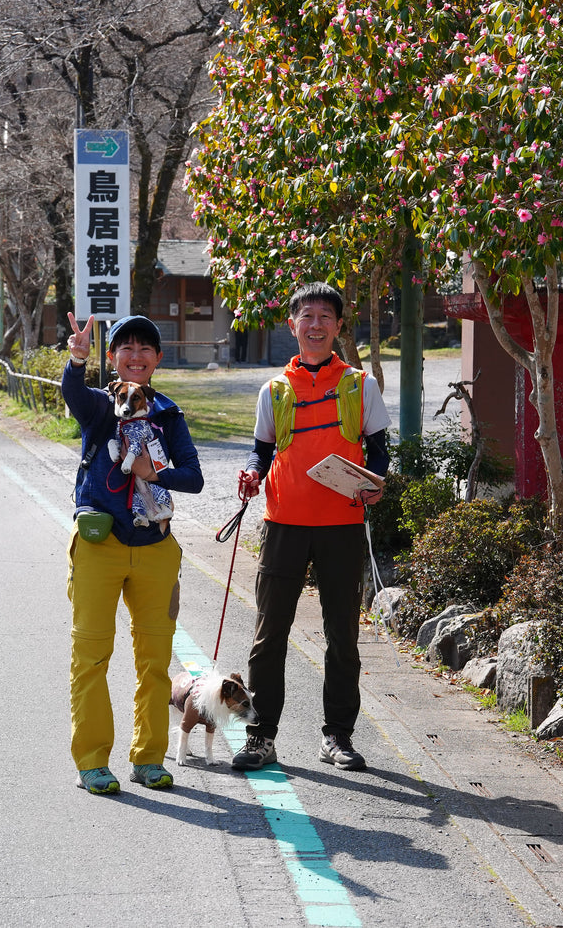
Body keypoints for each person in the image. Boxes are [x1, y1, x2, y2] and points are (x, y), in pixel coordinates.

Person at [232, 282, 390, 773]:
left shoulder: (360, 385)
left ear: (340, 327)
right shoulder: (274, 389)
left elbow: (380, 450)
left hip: (341, 524)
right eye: (307, 316)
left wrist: (378, 484)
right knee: (268, 633)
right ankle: (260, 737)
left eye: (326, 316)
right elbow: (262, 448)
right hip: (283, 523)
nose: (316, 324)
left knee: (342, 634)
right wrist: (253, 474)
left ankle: (337, 737)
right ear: (292, 325)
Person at [62, 312, 204, 794]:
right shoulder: (102, 408)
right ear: (112, 358)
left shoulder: (169, 414)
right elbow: (73, 395)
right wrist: (76, 360)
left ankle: (148, 760)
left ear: (158, 360)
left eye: (146, 349)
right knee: (92, 655)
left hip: (155, 549)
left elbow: (194, 477)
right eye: (126, 348)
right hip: (99, 547)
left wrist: (153, 472)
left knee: (154, 662)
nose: (136, 356)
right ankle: (92, 762)